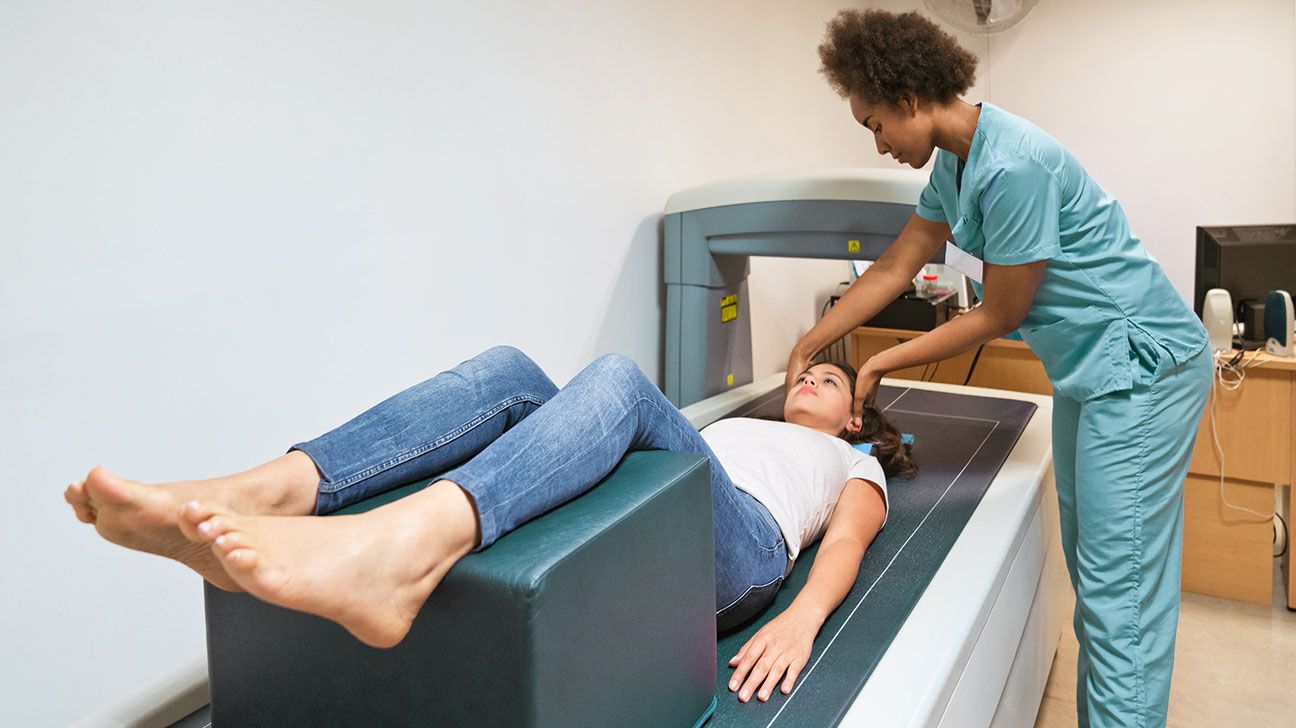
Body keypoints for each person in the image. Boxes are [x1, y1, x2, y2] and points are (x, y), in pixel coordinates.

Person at [64, 346, 914, 704]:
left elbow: (844, 542)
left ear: (851, 420)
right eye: (807, 371)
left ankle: (403, 553)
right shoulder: (736, 418)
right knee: (509, 369)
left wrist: (803, 619)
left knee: (618, 378)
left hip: (739, 547)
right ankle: (273, 491)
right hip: (658, 497)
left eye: (833, 382)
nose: (813, 379)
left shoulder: (853, 463)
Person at [794, 9, 1212, 727]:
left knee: (1121, 602)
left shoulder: (1013, 164)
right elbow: (897, 264)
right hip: (1092, 373)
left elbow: (1001, 314)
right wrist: (812, 343)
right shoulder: (956, 165)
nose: (879, 143)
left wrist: (879, 362)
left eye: (875, 125)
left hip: (1144, 371)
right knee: (1099, 578)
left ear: (910, 97)